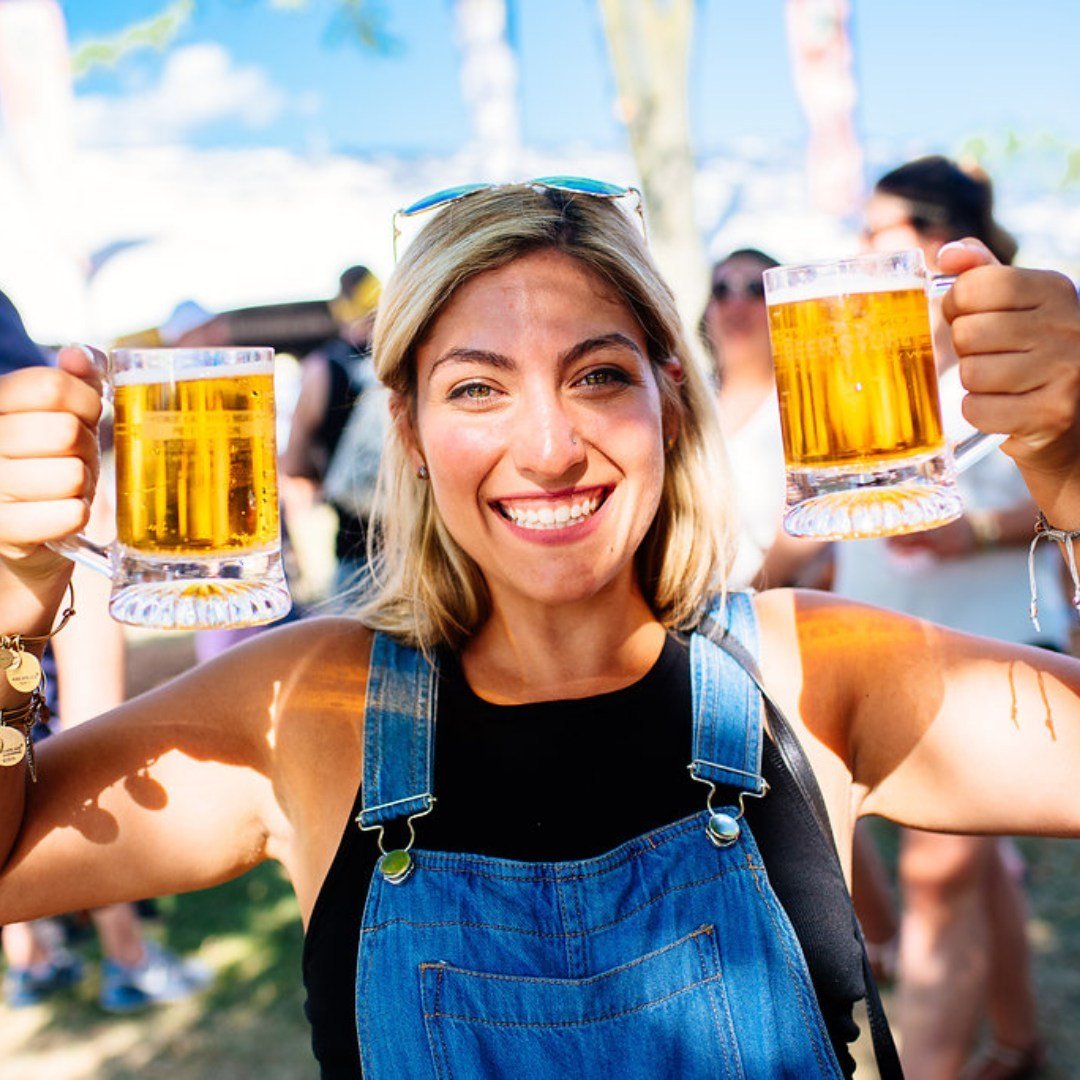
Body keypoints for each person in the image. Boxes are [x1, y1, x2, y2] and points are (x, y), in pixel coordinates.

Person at [0, 182, 1079, 1079]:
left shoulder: (803, 671)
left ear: (670, 396)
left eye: (598, 376)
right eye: (477, 388)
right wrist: (9, 607)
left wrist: (1072, 480)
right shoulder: (307, 708)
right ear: (411, 432)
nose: (551, 446)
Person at [838, 156, 1068, 1080]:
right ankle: (1021, 1043)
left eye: (878, 231)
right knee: (971, 868)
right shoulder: (860, 353)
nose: (857, 249)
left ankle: (927, 1065)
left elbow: (1061, 506)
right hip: (880, 634)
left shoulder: (1015, 350)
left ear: (938, 240)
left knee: (938, 873)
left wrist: (971, 529)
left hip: (983, 646)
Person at [0, 290, 210, 1014]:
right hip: (39, 613)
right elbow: (59, 498)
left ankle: (30, 960)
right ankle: (125, 957)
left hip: (27, 614)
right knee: (74, 779)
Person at [700, 249, 831, 590]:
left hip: (779, 616)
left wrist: (744, 604)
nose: (737, 304)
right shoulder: (683, 402)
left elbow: (811, 527)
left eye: (757, 290)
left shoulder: (811, 404)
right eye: (722, 290)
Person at [281, 264, 383, 596]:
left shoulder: (320, 370)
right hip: (428, 546)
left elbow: (294, 463)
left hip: (356, 548)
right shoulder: (407, 356)